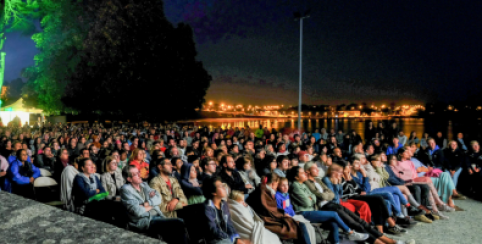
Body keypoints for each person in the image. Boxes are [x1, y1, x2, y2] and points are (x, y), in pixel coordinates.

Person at [287, 166, 369, 244]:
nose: (305, 173)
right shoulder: (295, 186)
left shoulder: (303, 184)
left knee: (334, 221)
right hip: (303, 213)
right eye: (302, 173)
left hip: (312, 210)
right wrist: (310, 199)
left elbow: (314, 198)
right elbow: (308, 202)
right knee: (334, 214)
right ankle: (350, 233)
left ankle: (336, 242)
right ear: (296, 177)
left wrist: (310, 198)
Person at [121, 165, 188, 244]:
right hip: (146, 221)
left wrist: (146, 204)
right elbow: (137, 211)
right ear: (129, 179)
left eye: (138, 172)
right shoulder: (126, 190)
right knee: (179, 223)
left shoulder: (144, 185)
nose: (139, 175)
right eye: (135, 174)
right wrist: (153, 203)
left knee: (181, 225)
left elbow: (158, 199)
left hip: (157, 215)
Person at [246, 173, 308, 244]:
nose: (277, 187)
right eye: (277, 184)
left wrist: (283, 214)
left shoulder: (264, 190)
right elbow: (270, 211)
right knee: (297, 226)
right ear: (273, 183)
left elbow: (272, 210)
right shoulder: (263, 193)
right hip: (268, 221)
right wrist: (283, 215)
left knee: (298, 225)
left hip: (271, 218)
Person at [202, 176, 251, 244]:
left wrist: (236, 237)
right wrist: (233, 239)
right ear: (214, 192)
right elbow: (214, 230)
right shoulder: (207, 207)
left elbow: (229, 224)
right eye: (220, 186)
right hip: (216, 240)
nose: (224, 188)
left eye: (223, 185)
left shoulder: (224, 204)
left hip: (227, 236)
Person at [71, 158, 112, 222]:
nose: (92, 166)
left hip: (96, 202)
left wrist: (94, 192)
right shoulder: (79, 178)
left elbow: (103, 190)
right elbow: (86, 193)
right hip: (84, 205)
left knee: (111, 206)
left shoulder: (94, 177)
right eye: (89, 165)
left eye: (92, 165)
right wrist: (96, 191)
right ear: (83, 168)